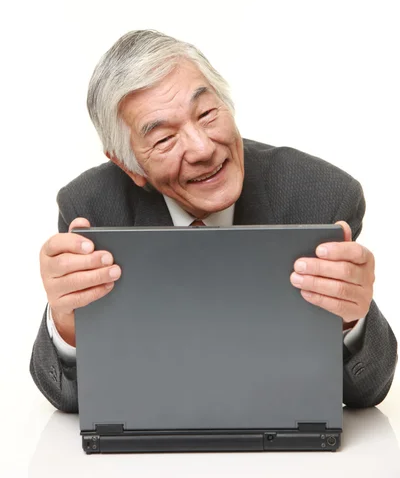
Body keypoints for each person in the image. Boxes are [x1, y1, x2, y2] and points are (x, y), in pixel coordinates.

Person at [30, 29, 397, 413]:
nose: (203, 149)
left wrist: (350, 319)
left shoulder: (322, 197)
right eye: (164, 138)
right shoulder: (92, 211)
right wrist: (68, 321)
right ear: (128, 165)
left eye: (207, 114)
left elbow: (366, 394)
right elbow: (69, 403)